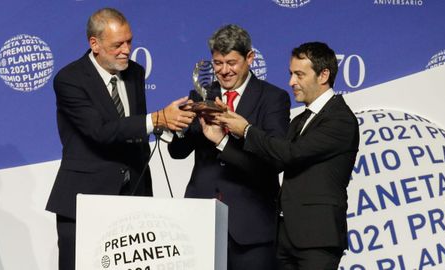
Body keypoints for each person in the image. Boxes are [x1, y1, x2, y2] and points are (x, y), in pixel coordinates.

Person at [45, 8, 195, 270]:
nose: (127, 49)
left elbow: (132, 128)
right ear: (95, 44)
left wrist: (173, 122)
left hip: (134, 194)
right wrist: (157, 118)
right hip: (85, 198)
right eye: (118, 44)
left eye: (129, 41)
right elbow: (100, 131)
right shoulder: (69, 80)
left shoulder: (134, 72)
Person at [211, 42, 360, 269]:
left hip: (317, 239)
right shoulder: (302, 119)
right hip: (286, 237)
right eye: (291, 74)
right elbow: (276, 160)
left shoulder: (339, 119)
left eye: (299, 75)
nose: (291, 82)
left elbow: (291, 154)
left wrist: (248, 129)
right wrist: (222, 141)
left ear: (323, 75)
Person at [167, 24, 291, 270]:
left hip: (250, 226)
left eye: (231, 63)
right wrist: (179, 126)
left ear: (250, 58)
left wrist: (223, 141)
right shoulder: (201, 95)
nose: (224, 71)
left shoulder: (273, 99)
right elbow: (177, 152)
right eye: (217, 63)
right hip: (200, 221)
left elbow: (274, 162)